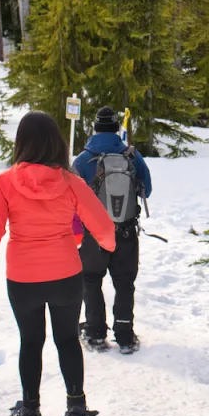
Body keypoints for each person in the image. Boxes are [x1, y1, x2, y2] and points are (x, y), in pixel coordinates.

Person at [0, 111, 116, 416]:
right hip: (66, 275)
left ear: (22, 143)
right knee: (68, 340)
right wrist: (107, 248)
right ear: (56, 142)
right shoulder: (71, 183)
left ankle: (30, 410)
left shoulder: (4, 183)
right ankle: (77, 414)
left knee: (31, 341)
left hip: (23, 278)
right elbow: (104, 228)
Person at [72, 106, 152, 355]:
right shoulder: (132, 156)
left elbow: (72, 198)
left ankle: (96, 334)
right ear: (117, 129)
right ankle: (125, 336)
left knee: (91, 280)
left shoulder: (83, 159)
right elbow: (146, 191)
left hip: (94, 234)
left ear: (94, 129)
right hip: (126, 232)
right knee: (124, 283)